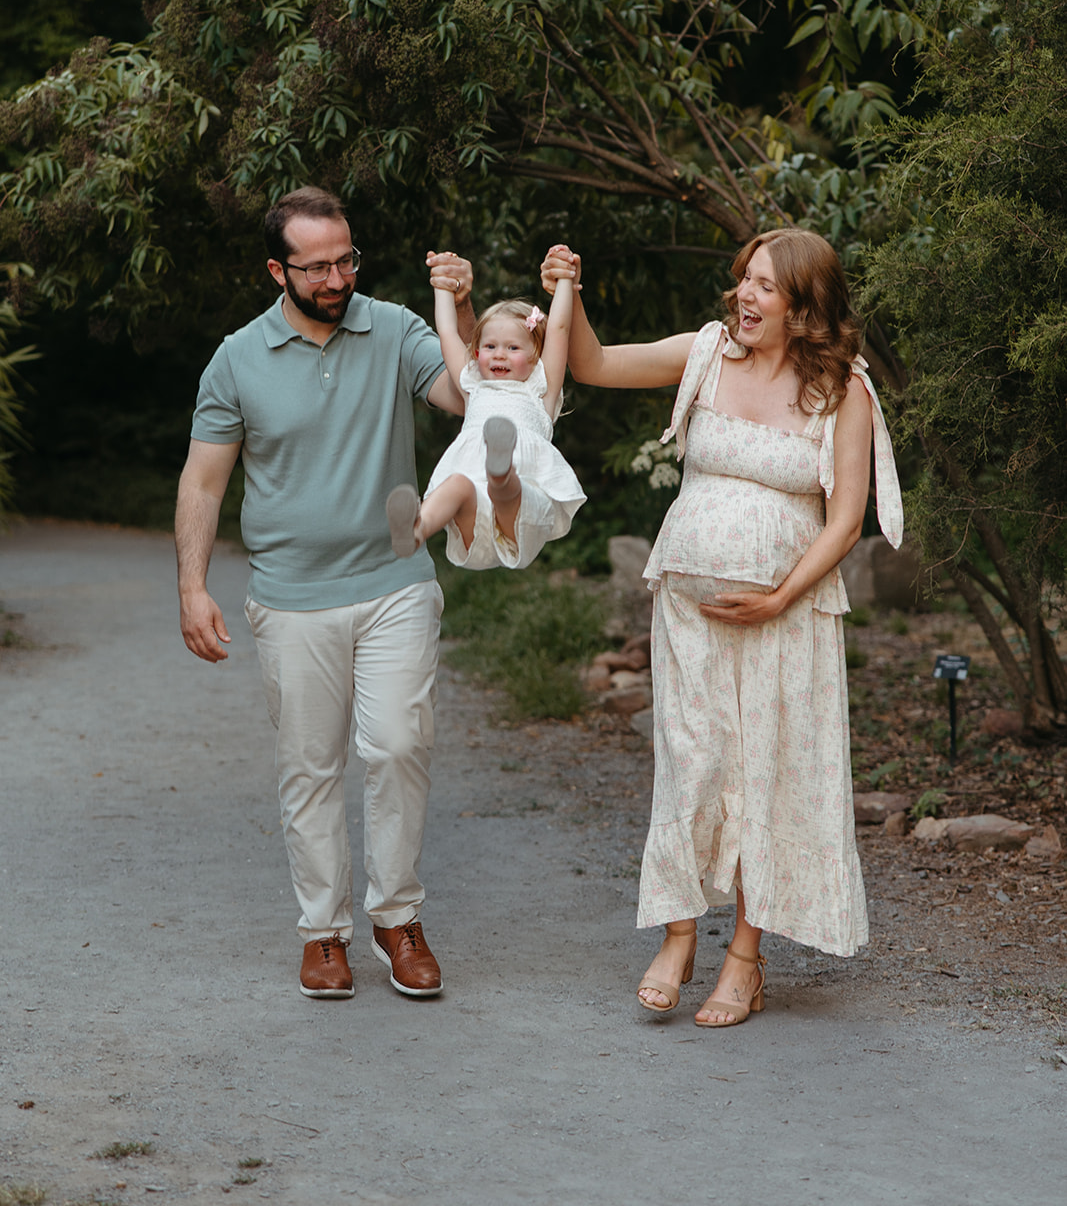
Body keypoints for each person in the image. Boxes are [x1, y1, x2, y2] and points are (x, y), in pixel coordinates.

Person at [541, 231, 902, 1027]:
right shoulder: (704, 355)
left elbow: (845, 522)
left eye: (765, 287)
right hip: (688, 612)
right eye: (744, 280)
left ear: (803, 306)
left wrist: (778, 597)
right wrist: (568, 290)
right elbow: (593, 365)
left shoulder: (843, 392)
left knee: (769, 771)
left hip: (790, 616)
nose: (743, 295)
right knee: (692, 758)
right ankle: (676, 935)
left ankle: (745, 957)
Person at [175, 185, 475, 1002]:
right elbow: (205, 480)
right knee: (310, 768)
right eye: (316, 266)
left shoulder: (396, 329)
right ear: (278, 269)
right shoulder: (237, 357)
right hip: (291, 594)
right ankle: (323, 933)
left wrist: (460, 309)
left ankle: (397, 917)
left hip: (394, 581)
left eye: (346, 258)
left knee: (398, 745)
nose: (336, 277)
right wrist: (192, 585)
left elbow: (465, 395)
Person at [386, 262, 585, 569]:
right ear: (477, 353)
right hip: (473, 514)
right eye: (490, 346)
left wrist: (564, 281)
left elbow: (559, 328)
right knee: (456, 483)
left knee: (505, 486)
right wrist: (442, 288)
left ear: (535, 357)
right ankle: (415, 529)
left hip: (521, 510)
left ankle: (500, 467)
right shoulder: (472, 385)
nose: (499, 354)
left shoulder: (540, 389)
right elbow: (448, 332)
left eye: (513, 347)